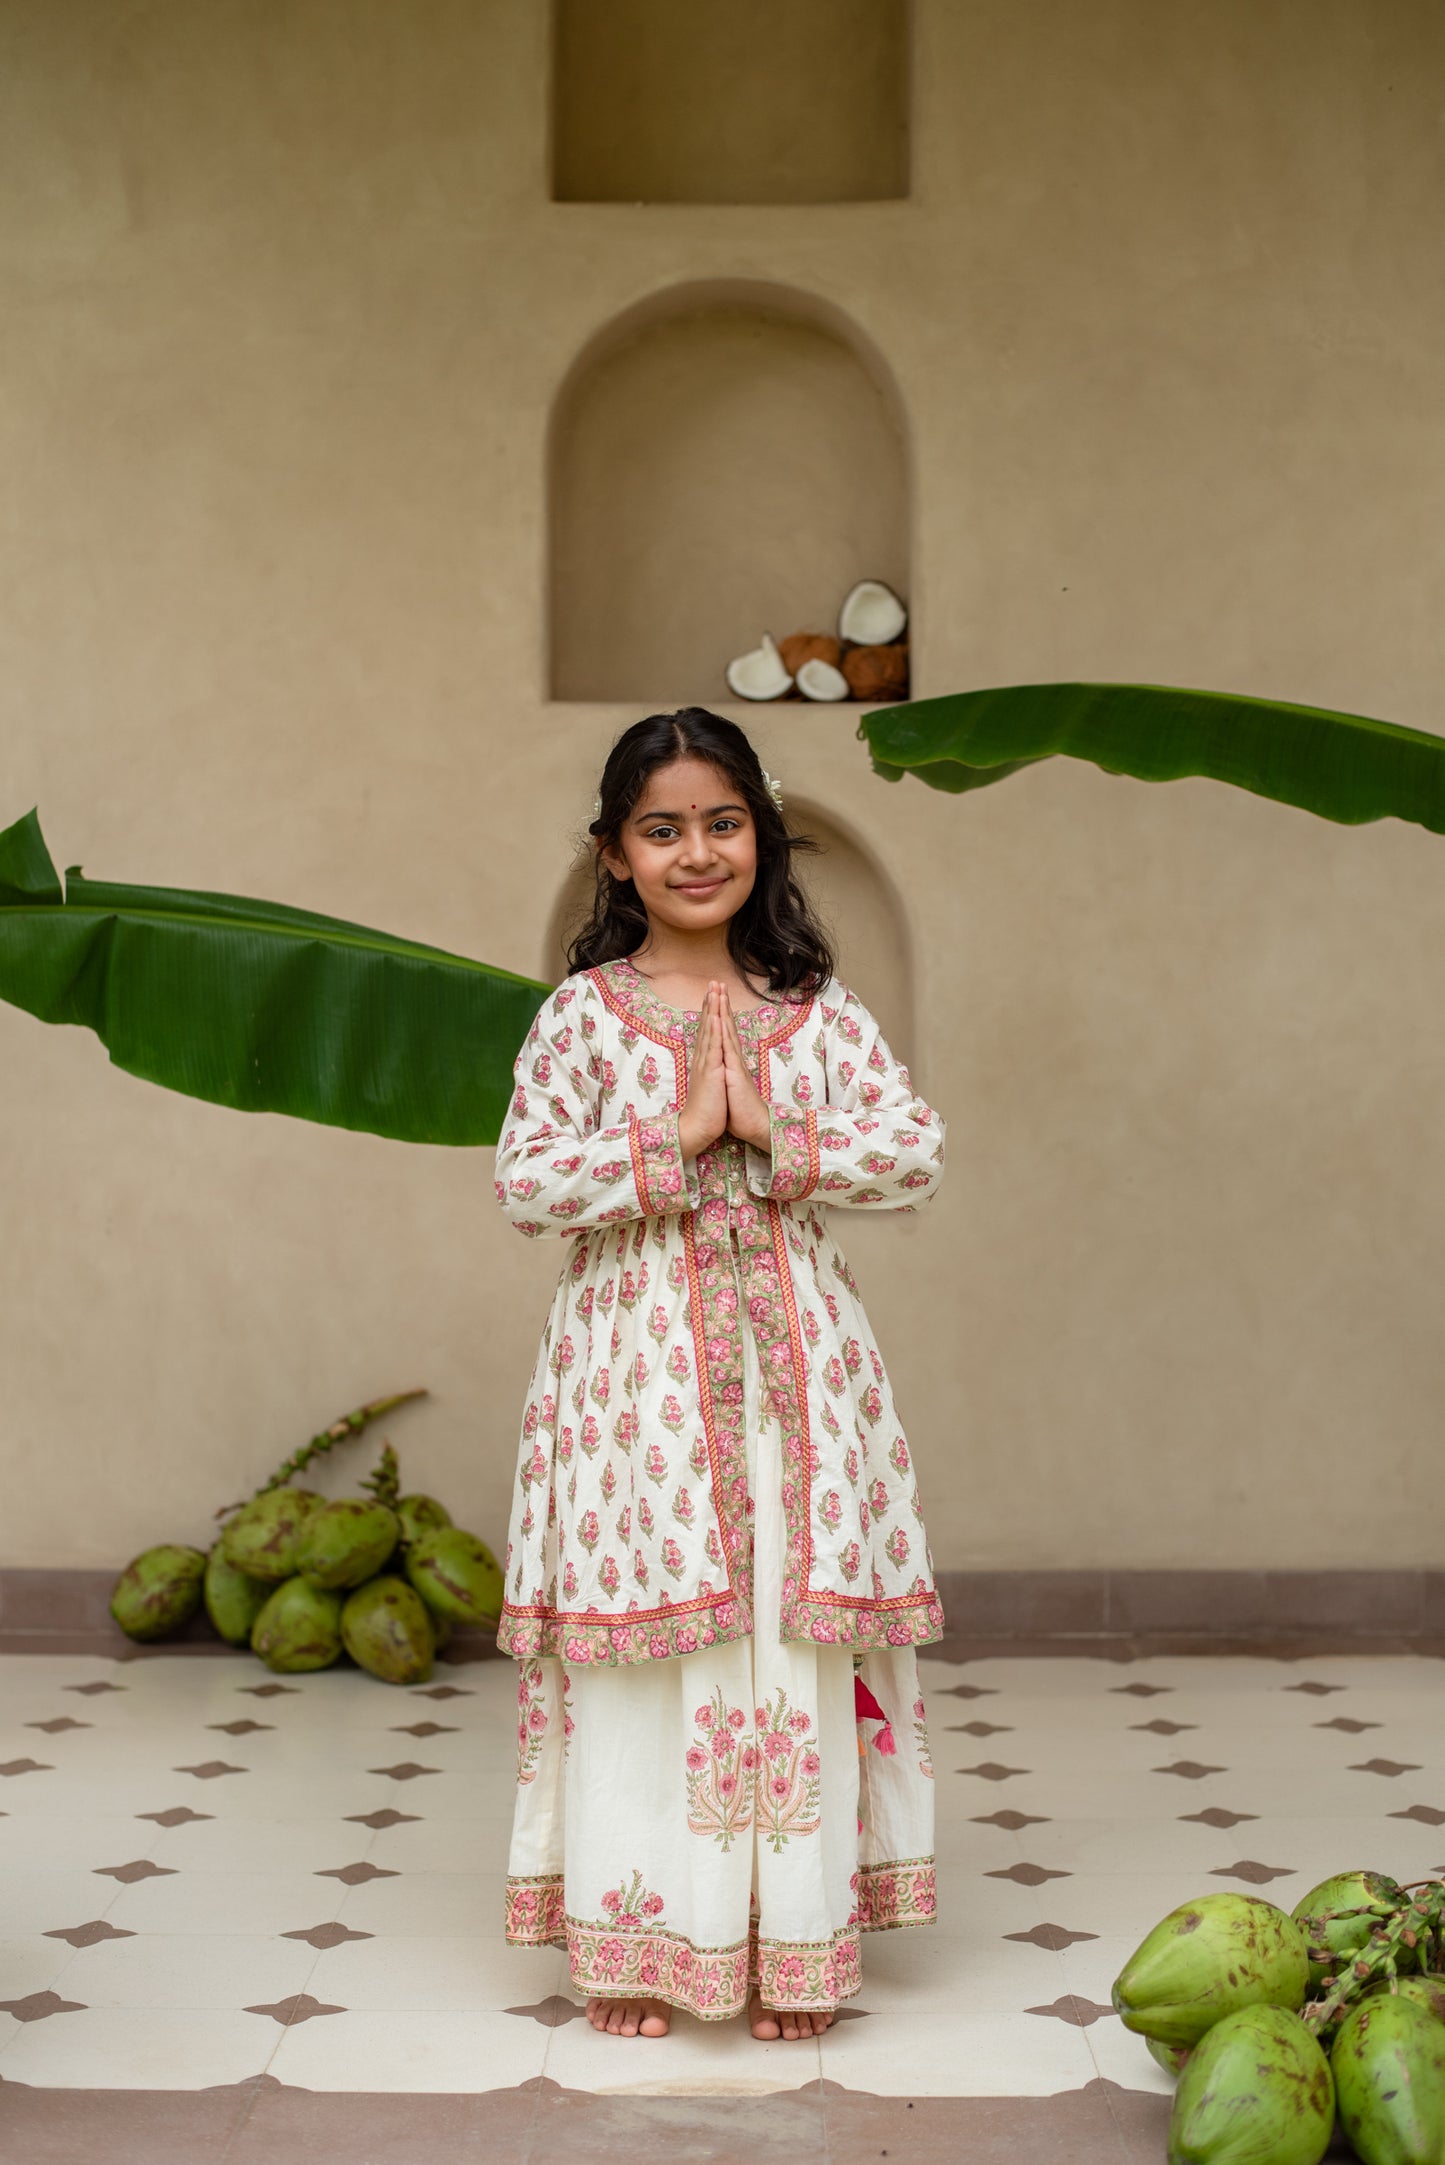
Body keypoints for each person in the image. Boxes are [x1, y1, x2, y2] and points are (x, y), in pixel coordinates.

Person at [492, 706, 946, 2041]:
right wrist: (675, 1135)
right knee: (654, 1651)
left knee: (787, 1640)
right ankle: (639, 1945)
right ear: (614, 853)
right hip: (635, 1383)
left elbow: (912, 1150)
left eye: (722, 821)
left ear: (763, 833)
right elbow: (524, 1179)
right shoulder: (584, 1016)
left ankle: (789, 1942)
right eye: (662, 827)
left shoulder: (814, 1012)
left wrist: (777, 1130)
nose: (697, 850)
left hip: (803, 1376)